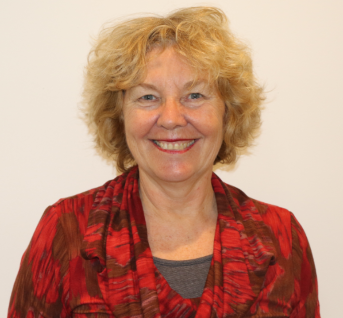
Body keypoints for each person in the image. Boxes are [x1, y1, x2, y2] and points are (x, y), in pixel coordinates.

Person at [8, 6, 320, 318]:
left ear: (228, 113)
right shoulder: (67, 231)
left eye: (194, 95)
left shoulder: (281, 239)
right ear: (119, 115)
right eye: (147, 97)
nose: (171, 119)